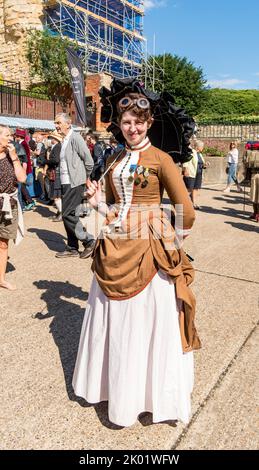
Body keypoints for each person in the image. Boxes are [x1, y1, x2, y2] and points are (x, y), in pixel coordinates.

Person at [72, 86, 201, 427]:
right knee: (117, 322)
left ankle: (147, 395)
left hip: (148, 249)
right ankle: (117, 389)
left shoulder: (161, 159)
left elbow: (185, 211)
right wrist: (99, 202)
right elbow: (113, 205)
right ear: (120, 123)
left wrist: (168, 237)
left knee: (145, 324)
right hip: (114, 242)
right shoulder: (113, 158)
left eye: (139, 123)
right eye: (127, 122)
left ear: (149, 122)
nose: (133, 128)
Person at [54, 113, 95, 258]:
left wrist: (84, 177)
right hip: (66, 182)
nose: (56, 126)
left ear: (68, 124)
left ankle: (89, 241)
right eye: (56, 123)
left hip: (75, 183)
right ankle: (72, 247)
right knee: (69, 215)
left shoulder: (75, 137)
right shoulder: (64, 140)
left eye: (59, 123)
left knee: (67, 214)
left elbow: (89, 160)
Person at [0, 125, 26, 290]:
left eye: (11, 135)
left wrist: (14, 157)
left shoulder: (12, 155)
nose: (10, 138)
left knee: (3, 243)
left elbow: (22, 178)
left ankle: (1, 279)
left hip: (9, 205)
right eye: (7, 135)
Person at [182, 140, 208, 209]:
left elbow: (201, 164)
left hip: (198, 174)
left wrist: (205, 165)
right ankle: (183, 204)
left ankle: (194, 204)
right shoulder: (191, 152)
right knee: (188, 190)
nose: (203, 148)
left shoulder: (200, 154)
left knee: (196, 189)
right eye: (202, 146)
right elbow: (186, 160)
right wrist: (185, 169)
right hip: (191, 173)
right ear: (197, 147)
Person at [46, 131, 63, 222]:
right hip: (56, 172)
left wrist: (46, 161)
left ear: (55, 139)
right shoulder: (58, 146)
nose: (51, 139)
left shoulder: (57, 147)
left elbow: (56, 160)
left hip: (56, 172)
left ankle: (61, 213)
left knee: (57, 195)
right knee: (57, 195)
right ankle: (59, 213)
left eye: (52, 138)